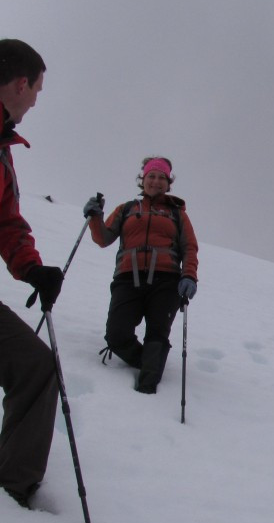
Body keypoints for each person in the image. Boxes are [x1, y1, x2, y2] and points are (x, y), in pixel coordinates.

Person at [0, 39, 64, 508]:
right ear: (21, 84)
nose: (36, 102)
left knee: (36, 367)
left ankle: (11, 492)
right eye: (37, 91)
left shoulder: (3, 148)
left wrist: (32, 269)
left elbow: (6, 221)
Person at [84, 157, 199, 393]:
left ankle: (148, 390)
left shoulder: (177, 214)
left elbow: (189, 247)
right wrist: (95, 217)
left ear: (168, 183)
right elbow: (102, 239)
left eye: (161, 178)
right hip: (128, 278)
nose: (156, 181)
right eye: (151, 176)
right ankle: (149, 362)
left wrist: (189, 276)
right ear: (143, 180)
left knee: (157, 332)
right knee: (116, 333)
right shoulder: (127, 209)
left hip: (166, 281)